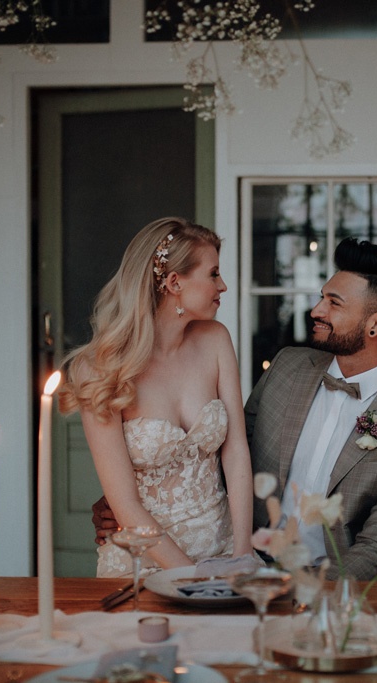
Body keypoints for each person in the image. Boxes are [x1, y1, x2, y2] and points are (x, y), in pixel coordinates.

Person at [94, 238, 377, 580]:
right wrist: (129, 501)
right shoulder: (287, 367)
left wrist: (301, 591)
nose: (316, 311)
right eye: (321, 297)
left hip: (325, 584)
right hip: (235, 559)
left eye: (334, 303)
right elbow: (220, 453)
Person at [60, 217, 254, 578]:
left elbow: (236, 452)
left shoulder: (216, 340)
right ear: (174, 282)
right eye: (213, 274)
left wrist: (242, 552)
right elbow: (125, 504)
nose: (222, 285)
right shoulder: (99, 370)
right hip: (144, 559)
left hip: (225, 552)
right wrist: (193, 579)